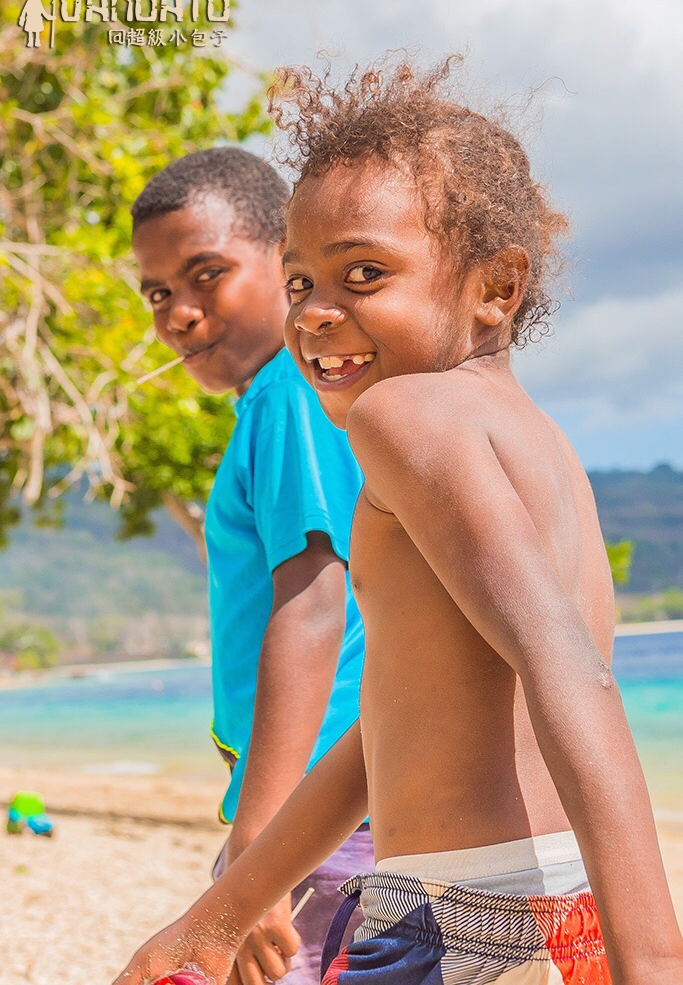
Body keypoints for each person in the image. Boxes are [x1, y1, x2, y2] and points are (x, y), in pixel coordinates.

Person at [115, 62, 683, 985]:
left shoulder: (401, 417)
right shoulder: (541, 448)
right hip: (552, 906)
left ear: (495, 288)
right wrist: (216, 919)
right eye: (299, 284)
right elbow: (378, 738)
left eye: (364, 273)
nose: (318, 314)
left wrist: (654, 959)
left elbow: (567, 670)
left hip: (458, 917)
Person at [130, 147, 373, 984]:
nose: (180, 313)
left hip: (322, 812)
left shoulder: (287, 396)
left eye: (207, 275)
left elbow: (313, 603)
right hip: (325, 804)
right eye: (159, 292)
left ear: (285, 261)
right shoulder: (289, 399)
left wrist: (263, 848)